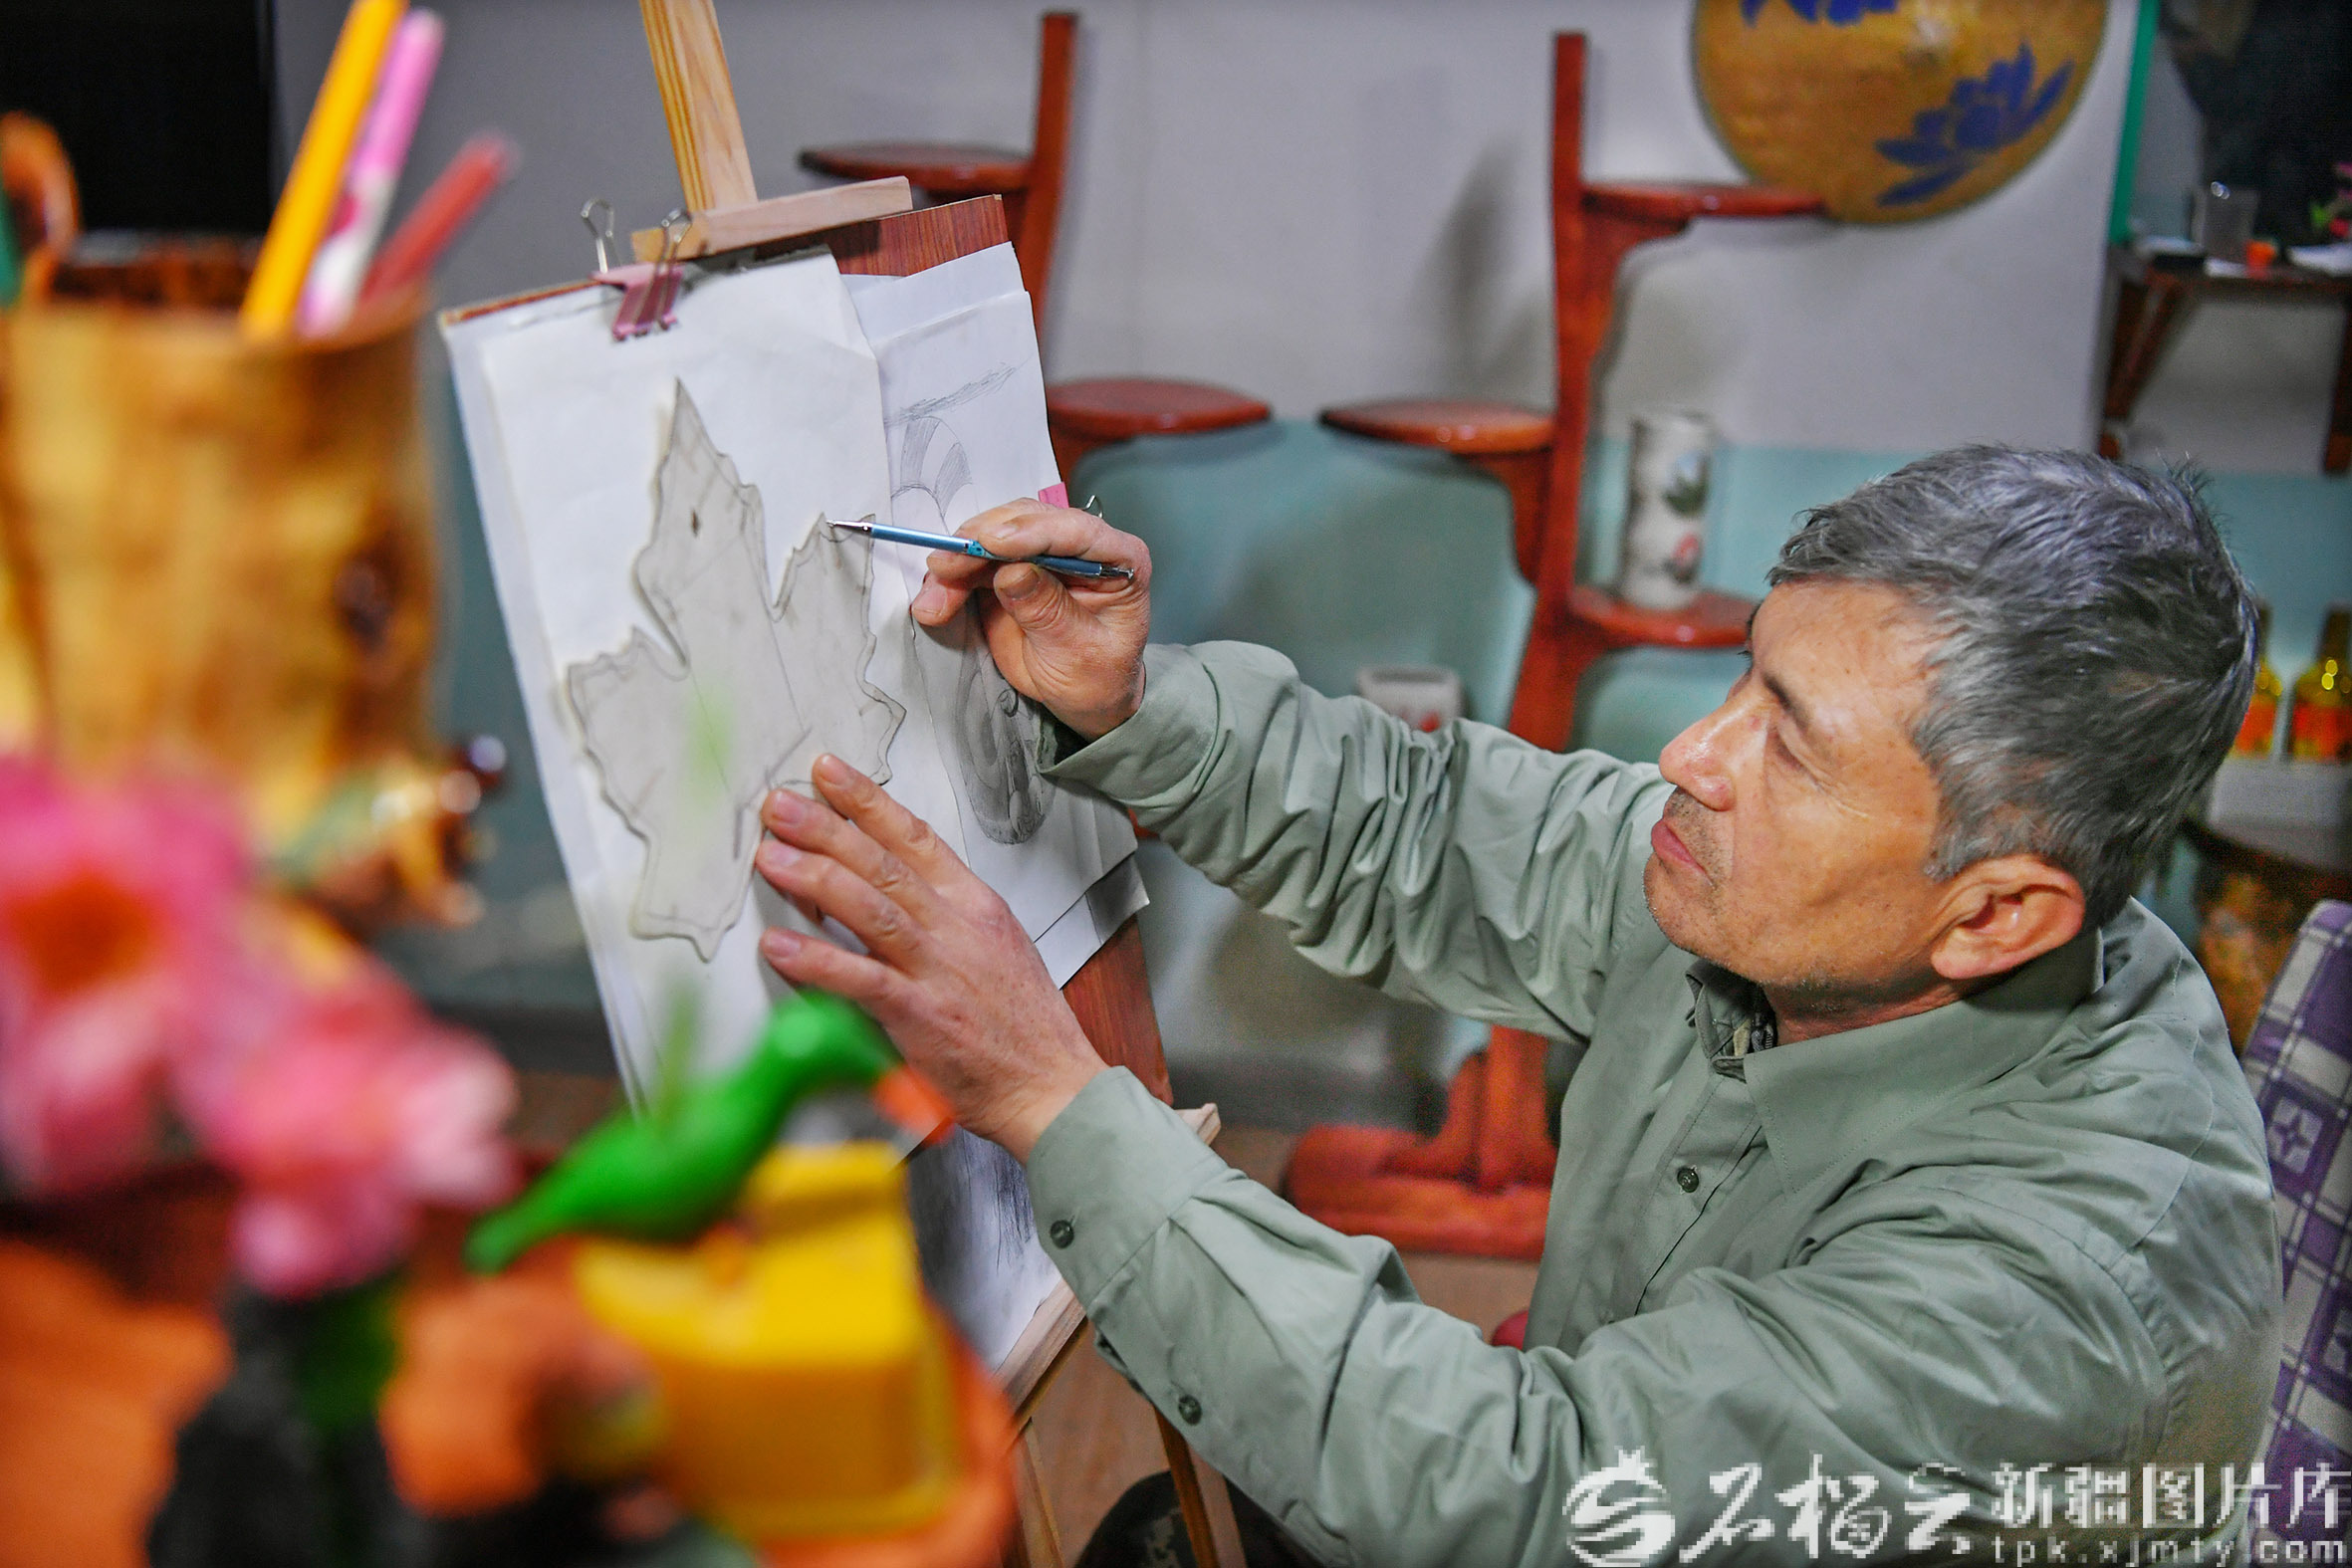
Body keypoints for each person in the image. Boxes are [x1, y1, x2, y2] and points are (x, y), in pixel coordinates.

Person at [749, 447, 2284, 1564]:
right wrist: (1129, 703)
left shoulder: (2049, 1301)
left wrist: (1051, 1096)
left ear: (1998, 913)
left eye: (1792, 745)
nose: (1691, 756)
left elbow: (1535, 1497)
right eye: (1743, 680)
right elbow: (1430, 831)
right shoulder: (1808, 902)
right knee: (1178, 1526)